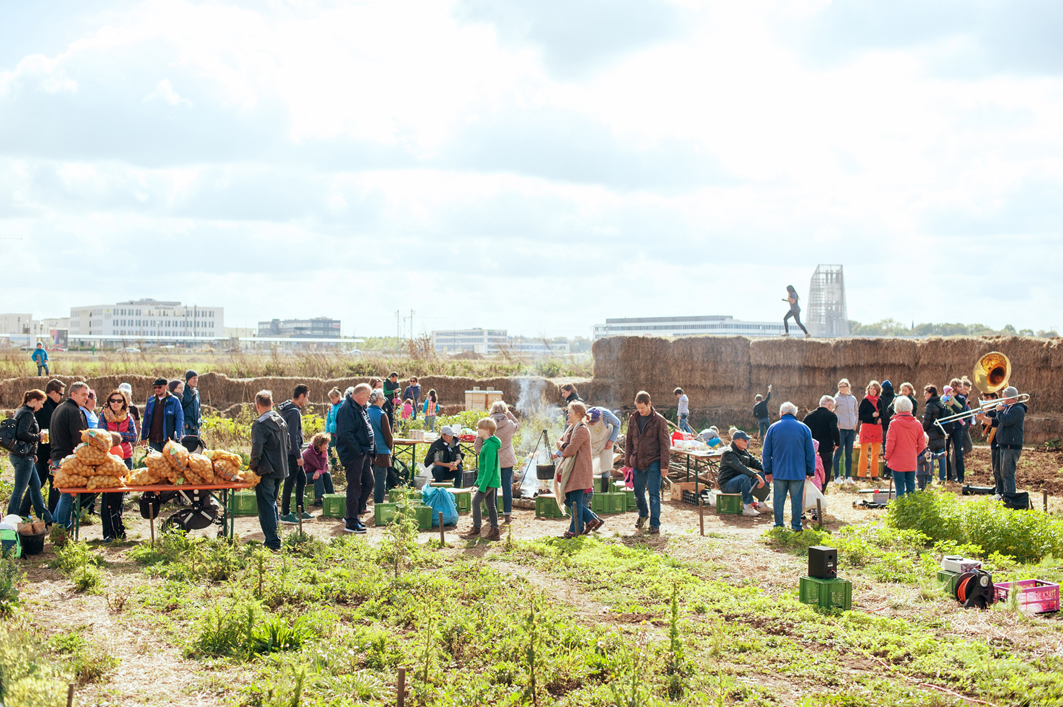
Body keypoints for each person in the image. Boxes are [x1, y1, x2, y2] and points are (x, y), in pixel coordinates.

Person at [761, 402, 815, 532]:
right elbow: (810, 452)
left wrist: (767, 470)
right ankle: (796, 525)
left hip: (779, 471)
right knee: (796, 500)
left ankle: (778, 525)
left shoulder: (773, 428)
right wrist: (810, 470)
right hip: (798, 471)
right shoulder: (804, 428)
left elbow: (766, 452)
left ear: (781, 413)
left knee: (778, 499)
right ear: (795, 413)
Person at [248, 390, 289, 552]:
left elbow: (256, 449)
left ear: (257, 405)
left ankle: (272, 540)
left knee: (266, 506)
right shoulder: (281, 421)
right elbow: (289, 446)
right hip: (281, 468)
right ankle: (275, 536)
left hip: (266, 470)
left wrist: (253, 467)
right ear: (271, 403)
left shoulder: (260, 425)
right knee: (272, 503)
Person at [624, 391, 670, 535]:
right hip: (637, 461)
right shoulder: (633, 419)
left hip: (654, 462)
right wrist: (627, 463)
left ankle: (655, 524)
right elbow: (628, 442)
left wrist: (664, 465)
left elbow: (665, 444)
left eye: (642, 408)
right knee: (638, 493)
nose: (640, 411)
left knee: (654, 494)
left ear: (649, 404)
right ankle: (643, 514)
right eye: (638, 408)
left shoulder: (659, 421)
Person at [6, 390, 54, 525]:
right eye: (41, 403)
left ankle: (46, 518)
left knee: (36, 485)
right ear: (34, 401)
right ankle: (11, 519)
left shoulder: (20, 410)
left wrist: (33, 454)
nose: (42, 406)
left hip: (25, 456)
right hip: (23, 457)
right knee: (20, 489)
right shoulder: (27, 413)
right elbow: (22, 433)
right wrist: (38, 437)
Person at [21, 379, 64, 516]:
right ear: (52, 392)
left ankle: (24, 511)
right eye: (60, 394)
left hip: (41, 452)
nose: (61, 397)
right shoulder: (47, 409)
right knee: (54, 484)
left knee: (37, 484)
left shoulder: (47, 407)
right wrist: (51, 455)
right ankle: (52, 515)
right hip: (45, 454)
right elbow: (47, 434)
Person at [98, 389, 136, 541]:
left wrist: (116, 437)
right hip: (107, 460)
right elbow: (101, 435)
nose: (115, 403)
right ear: (108, 402)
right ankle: (107, 532)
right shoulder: (103, 416)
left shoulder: (128, 417)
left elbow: (134, 436)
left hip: (125, 458)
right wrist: (116, 437)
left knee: (120, 496)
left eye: (119, 401)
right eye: (112, 400)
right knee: (106, 496)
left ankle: (118, 530)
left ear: (124, 403)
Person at [336, 384, 375, 533]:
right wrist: (358, 451)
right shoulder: (347, 409)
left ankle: (353, 514)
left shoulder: (359, 407)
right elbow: (346, 434)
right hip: (353, 455)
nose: (368, 399)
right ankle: (351, 522)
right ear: (360, 395)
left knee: (369, 482)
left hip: (363, 454)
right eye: (368, 396)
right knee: (354, 486)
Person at [51, 382, 90, 528]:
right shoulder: (73, 411)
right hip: (67, 459)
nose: (86, 398)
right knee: (68, 494)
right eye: (83, 394)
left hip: (58, 456)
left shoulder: (60, 408)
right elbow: (79, 439)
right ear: (73, 394)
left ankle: (57, 524)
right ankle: (62, 528)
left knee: (64, 493)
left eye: (87, 395)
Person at [552, 402, 593, 539]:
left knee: (574, 501)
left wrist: (563, 445)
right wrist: (564, 444)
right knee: (569, 499)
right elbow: (559, 441)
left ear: (578, 415)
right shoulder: (571, 427)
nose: (567, 414)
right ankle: (591, 520)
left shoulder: (582, 430)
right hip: (572, 469)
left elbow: (570, 450)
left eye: (570, 412)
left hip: (579, 470)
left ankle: (574, 531)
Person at [475, 401, 520, 523]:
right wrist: (509, 414)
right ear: (505, 411)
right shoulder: (510, 424)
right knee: (506, 487)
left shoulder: (486, 425)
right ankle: (507, 515)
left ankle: (491, 515)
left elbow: (477, 445)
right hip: (507, 460)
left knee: (492, 488)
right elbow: (518, 424)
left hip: (492, 462)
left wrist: (483, 455)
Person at [462, 417, 503, 541]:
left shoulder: (489, 446)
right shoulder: (488, 444)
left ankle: (476, 528)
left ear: (488, 430)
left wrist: (483, 485)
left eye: (480, 428)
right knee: (490, 505)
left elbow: (489, 469)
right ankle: (494, 530)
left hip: (489, 481)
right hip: (490, 481)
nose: (477, 430)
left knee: (475, 502)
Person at [277, 385, 310, 524]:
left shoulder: (285, 409)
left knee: (302, 480)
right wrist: (298, 455)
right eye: (307, 397)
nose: (307, 400)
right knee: (290, 482)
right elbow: (293, 435)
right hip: (292, 452)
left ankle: (300, 510)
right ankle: (285, 513)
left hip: (287, 450)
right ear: (301, 396)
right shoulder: (294, 412)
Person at [883, 396, 925, 497]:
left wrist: (887, 457)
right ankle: (911, 508)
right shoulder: (917, 424)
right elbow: (922, 444)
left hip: (897, 460)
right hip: (911, 459)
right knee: (911, 486)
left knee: (899, 487)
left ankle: (900, 509)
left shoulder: (894, 424)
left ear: (897, 409)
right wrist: (914, 453)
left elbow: (890, 443)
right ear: (910, 408)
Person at [718, 430, 766, 517]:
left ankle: (761, 504)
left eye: (747, 440)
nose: (747, 442)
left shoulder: (743, 451)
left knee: (763, 474)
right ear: (737, 441)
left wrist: (769, 471)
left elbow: (755, 462)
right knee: (744, 477)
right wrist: (755, 475)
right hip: (727, 484)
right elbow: (739, 467)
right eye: (745, 440)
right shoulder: (729, 452)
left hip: (741, 481)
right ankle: (747, 506)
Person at [802, 395, 839, 493]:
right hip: (825, 449)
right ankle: (820, 495)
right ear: (830, 405)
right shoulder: (831, 416)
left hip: (810, 450)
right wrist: (837, 443)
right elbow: (835, 430)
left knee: (810, 474)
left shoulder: (809, 416)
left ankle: (809, 496)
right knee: (824, 474)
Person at [994, 386, 1026, 499]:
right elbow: (999, 421)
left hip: (1011, 447)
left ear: (1011, 398)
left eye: (1004, 398)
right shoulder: (1009, 408)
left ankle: (1011, 499)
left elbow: (1005, 421)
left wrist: (999, 411)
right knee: (1003, 474)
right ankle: (1005, 496)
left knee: (1008, 474)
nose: (1002, 400)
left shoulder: (1017, 409)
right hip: (1005, 445)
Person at [366, 389, 394, 505]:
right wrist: (390, 447)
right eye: (382, 399)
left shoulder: (365, 412)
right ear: (377, 400)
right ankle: (378, 505)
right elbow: (388, 436)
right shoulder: (382, 415)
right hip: (381, 451)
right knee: (380, 481)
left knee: (366, 479)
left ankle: (363, 504)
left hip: (367, 450)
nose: (383, 402)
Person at [141, 378, 184, 452]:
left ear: (166, 387)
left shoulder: (174, 401)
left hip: (168, 440)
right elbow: (145, 420)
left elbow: (179, 420)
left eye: (160, 387)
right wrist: (143, 438)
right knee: (154, 462)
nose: (157, 389)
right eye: (155, 387)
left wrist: (176, 439)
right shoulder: (151, 401)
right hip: (153, 440)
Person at [832, 380, 857, 484]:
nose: (841, 388)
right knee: (838, 452)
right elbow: (832, 412)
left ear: (848, 387)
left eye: (843, 386)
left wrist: (855, 423)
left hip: (851, 429)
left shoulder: (853, 399)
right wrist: (837, 424)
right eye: (840, 387)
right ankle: (837, 476)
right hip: (841, 429)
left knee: (849, 453)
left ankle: (848, 476)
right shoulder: (836, 399)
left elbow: (856, 411)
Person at [921, 385, 948, 483]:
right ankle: (943, 477)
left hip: (931, 434)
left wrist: (923, 430)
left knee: (930, 455)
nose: (924, 395)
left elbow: (926, 421)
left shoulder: (930, 405)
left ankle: (929, 478)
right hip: (940, 432)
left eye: (926, 392)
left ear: (930, 393)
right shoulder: (941, 403)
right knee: (941, 455)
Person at [856, 381, 882, 479]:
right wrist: (871, 415)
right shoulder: (865, 401)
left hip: (877, 428)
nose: (872, 390)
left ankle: (874, 475)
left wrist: (881, 418)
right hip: (867, 427)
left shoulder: (880, 401)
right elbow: (860, 416)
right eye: (870, 388)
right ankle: (861, 475)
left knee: (875, 454)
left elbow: (883, 413)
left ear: (877, 390)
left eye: (874, 389)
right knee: (864, 452)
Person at [942, 380, 966, 483]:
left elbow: (962, 413)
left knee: (958, 453)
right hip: (947, 427)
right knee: (945, 452)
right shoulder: (943, 398)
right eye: (959, 386)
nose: (962, 388)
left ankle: (960, 477)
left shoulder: (961, 399)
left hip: (957, 428)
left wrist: (952, 405)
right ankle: (948, 475)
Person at [303, 433, 334, 506]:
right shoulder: (309, 453)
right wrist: (324, 454)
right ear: (320, 445)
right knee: (318, 476)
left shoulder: (320, 452)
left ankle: (331, 496)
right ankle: (318, 499)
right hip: (304, 476)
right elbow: (320, 466)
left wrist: (319, 471)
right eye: (326, 444)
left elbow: (325, 467)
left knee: (327, 475)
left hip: (314, 473)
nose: (327, 446)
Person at [878, 381, 896, 475]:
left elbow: (881, 412)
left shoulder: (880, 398)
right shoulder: (896, 397)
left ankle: (887, 469)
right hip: (895, 425)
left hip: (885, 426)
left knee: (886, 447)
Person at [182, 370, 201, 437]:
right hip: (187, 428)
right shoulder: (183, 392)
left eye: (196, 378)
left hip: (195, 428)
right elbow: (179, 409)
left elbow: (199, 408)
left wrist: (199, 422)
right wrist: (185, 423)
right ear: (188, 379)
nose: (195, 380)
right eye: (193, 378)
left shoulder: (196, 392)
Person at [326, 387, 341, 462]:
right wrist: (327, 432)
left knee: (340, 449)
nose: (331, 400)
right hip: (332, 432)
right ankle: (334, 463)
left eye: (333, 398)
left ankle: (341, 466)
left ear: (338, 397)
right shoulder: (331, 407)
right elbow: (328, 420)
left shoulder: (343, 405)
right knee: (329, 448)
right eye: (330, 398)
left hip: (340, 432)